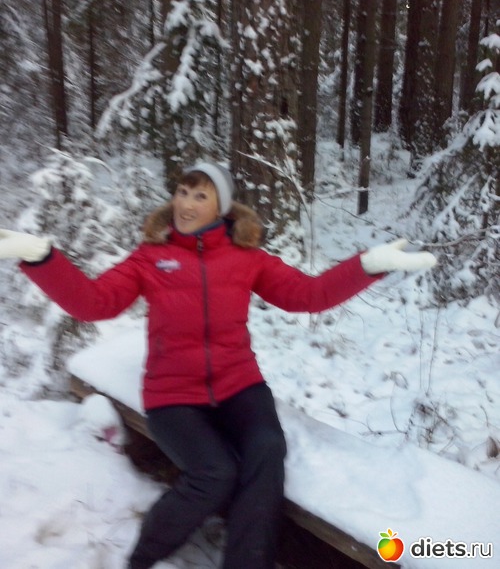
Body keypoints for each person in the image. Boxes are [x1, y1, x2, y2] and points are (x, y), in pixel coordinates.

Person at [0, 161, 437, 569]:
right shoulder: (151, 257)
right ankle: (142, 558)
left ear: (221, 209)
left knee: (267, 449)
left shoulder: (246, 257)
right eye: (183, 192)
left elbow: (308, 295)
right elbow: (94, 304)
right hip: (173, 394)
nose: (186, 204)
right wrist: (40, 257)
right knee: (215, 473)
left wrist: (369, 265)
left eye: (200, 196)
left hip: (238, 384)